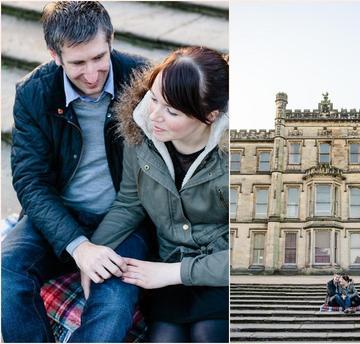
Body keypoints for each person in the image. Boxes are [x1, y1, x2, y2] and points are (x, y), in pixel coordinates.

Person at [1, 2, 150, 342]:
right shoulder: (32, 92)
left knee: (113, 301)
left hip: (125, 217)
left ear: (110, 40)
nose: (92, 74)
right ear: (55, 55)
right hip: (59, 213)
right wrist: (78, 247)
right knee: (7, 273)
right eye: (78, 63)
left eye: (99, 57)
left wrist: (102, 242)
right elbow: (30, 180)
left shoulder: (142, 80)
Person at [86, 46, 229, 343]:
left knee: (207, 334)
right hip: (167, 261)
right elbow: (129, 203)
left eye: (171, 111)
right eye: (153, 98)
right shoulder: (140, 133)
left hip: (220, 270)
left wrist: (172, 273)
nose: (154, 116)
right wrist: (92, 254)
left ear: (209, 115)